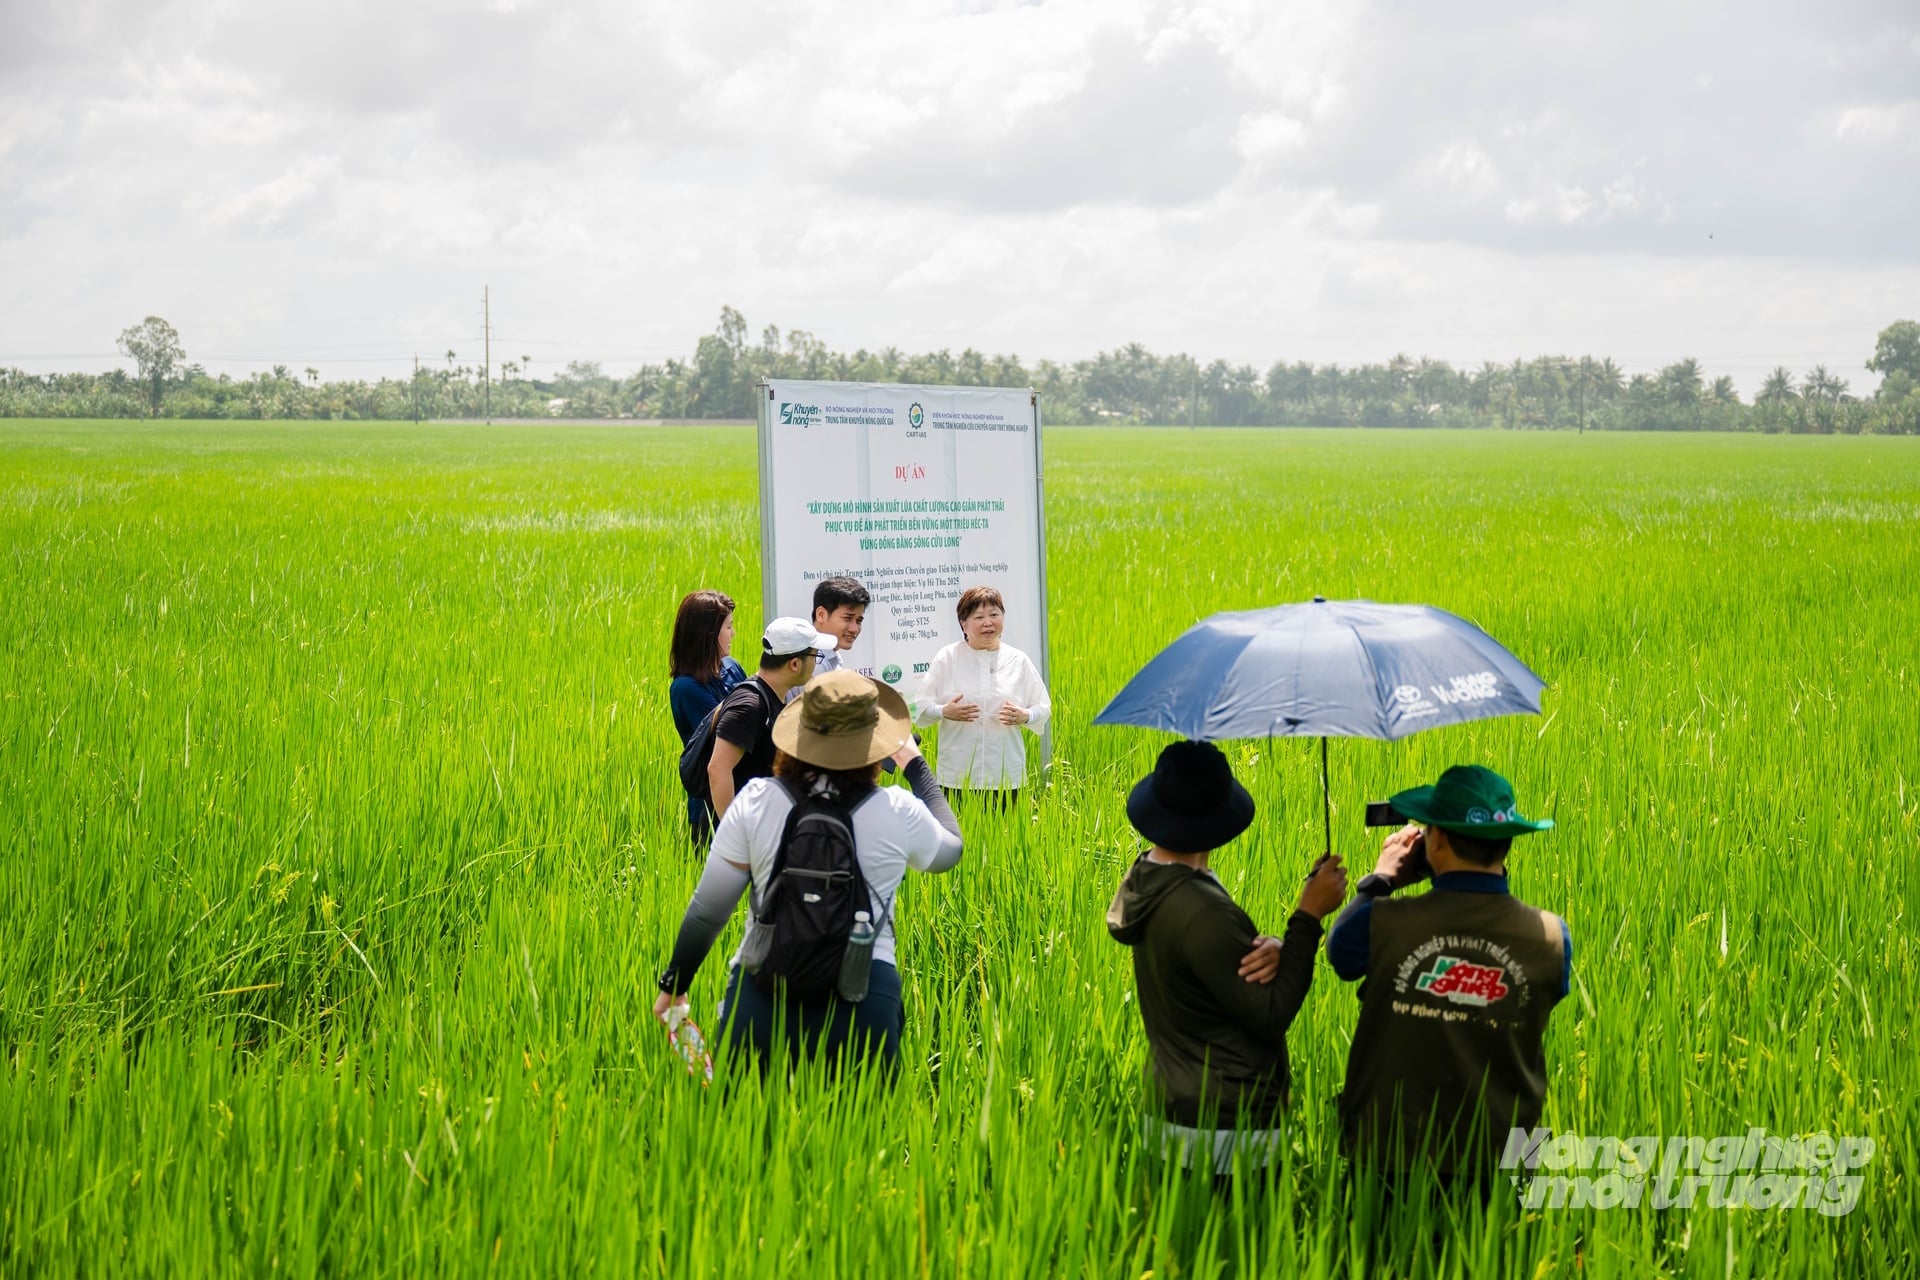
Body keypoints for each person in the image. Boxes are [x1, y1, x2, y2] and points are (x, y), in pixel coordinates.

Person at [654, 670, 964, 1068]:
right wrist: (915, 766)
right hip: (865, 1005)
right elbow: (950, 851)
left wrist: (674, 985)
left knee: (747, 1126)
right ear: (875, 745)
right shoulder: (897, 810)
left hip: (763, 1000)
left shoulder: (757, 800)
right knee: (862, 1126)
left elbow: (708, 909)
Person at [1106, 740, 1349, 1177]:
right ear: (1217, 821)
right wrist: (1308, 917)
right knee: (1240, 1244)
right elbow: (1271, 1013)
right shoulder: (1202, 910)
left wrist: (1281, 947)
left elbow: (1216, 971)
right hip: (1226, 1123)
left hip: (1174, 1107)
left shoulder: (1152, 881)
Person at [1326, 764, 1571, 1185]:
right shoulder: (1551, 936)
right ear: (1506, 843)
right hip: (1503, 1162)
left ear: (1435, 840)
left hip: (1389, 1156)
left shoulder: (1387, 923)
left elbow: (1341, 952)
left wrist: (1382, 878)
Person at [912, 586, 1051, 807]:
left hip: (1005, 772)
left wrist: (1025, 715)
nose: (988, 622)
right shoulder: (948, 657)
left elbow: (1043, 707)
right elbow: (920, 706)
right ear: (964, 624)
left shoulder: (1018, 660)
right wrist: (943, 711)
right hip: (958, 774)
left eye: (994, 615)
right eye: (979, 617)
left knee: (1006, 838)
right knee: (962, 836)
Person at [707, 617, 833, 821]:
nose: (816, 661)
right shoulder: (750, 705)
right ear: (794, 664)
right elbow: (718, 769)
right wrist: (734, 837)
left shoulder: (772, 698)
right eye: (815, 656)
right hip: (738, 837)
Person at [668, 590, 747, 842]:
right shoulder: (686, 688)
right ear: (708, 635)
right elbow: (731, 732)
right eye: (728, 627)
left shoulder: (731, 667)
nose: (733, 633)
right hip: (710, 804)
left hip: (743, 790)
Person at [810, 576, 869, 677]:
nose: (854, 629)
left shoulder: (829, 656)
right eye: (847, 618)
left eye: (859, 621)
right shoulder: (813, 663)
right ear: (821, 614)